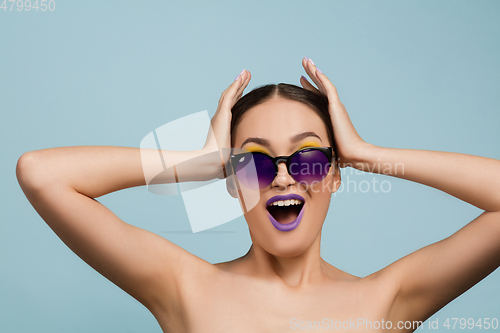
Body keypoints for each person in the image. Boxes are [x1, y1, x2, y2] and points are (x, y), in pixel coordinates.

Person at [16, 57, 500, 333]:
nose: (284, 179)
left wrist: (366, 153)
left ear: (335, 175)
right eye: (256, 162)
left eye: (309, 159)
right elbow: (41, 174)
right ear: (232, 181)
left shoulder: (384, 300)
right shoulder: (183, 286)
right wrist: (196, 162)